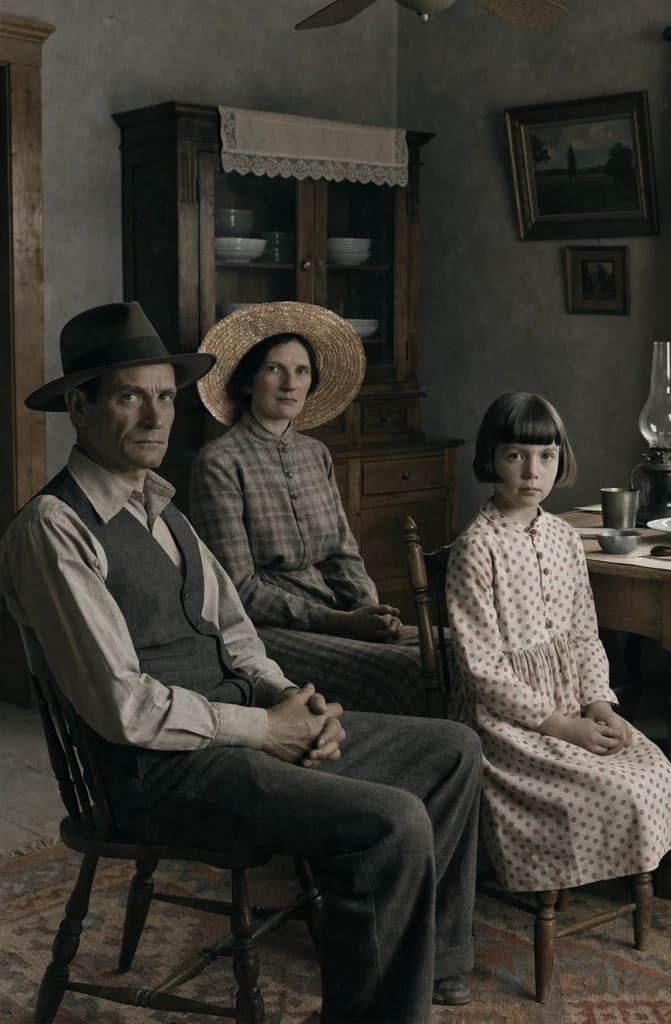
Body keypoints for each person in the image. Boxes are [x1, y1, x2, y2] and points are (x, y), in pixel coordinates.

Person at [0, 301, 480, 1023]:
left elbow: (236, 634)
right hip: (152, 776)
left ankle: (420, 970)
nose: (157, 417)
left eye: (165, 396)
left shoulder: (163, 508)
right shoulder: (54, 528)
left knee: (453, 749)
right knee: (393, 822)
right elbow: (123, 707)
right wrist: (266, 731)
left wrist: (296, 701)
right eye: (131, 396)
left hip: (234, 737)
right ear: (80, 405)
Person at [445, 392, 671, 895]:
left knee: (649, 767)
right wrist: (561, 726)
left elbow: (585, 635)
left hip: (573, 702)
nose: (531, 471)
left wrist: (598, 705)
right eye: (515, 455)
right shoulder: (476, 547)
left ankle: (608, 868)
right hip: (507, 720)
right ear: (491, 459)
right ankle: (551, 870)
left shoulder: (565, 538)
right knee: (611, 785)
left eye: (546, 456)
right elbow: (481, 668)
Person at [189, 301, 425, 716]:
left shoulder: (316, 454)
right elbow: (238, 589)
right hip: (266, 629)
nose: (290, 384)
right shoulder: (220, 462)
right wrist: (340, 623)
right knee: (410, 668)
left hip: (337, 614)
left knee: (452, 650)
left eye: (301, 372)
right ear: (247, 382)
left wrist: (368, 611)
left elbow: (342, 553)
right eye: (274, 369)